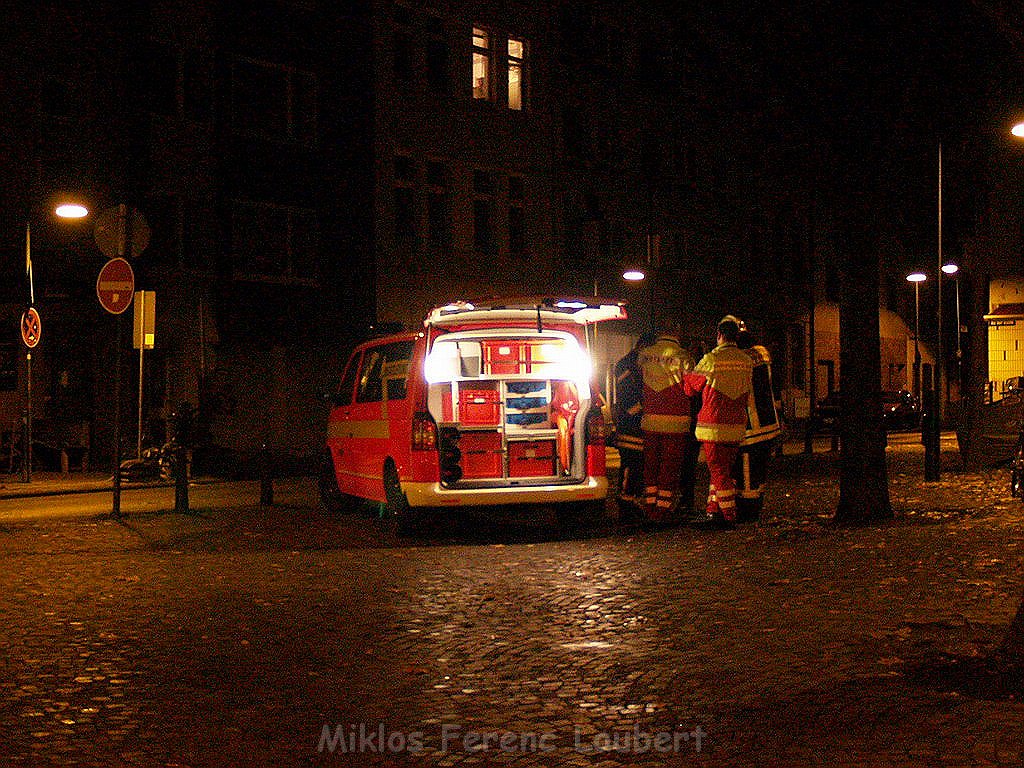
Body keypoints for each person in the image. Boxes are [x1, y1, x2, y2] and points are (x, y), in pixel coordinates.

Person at [684, 315, 753, 527]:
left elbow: (691, 388)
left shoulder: (711, 359)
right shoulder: (746, 361)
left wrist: (685, 374)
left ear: (719, 335)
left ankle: (729, 515)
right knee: (725, 471)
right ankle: (714, 509)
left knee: (718, 471)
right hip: (736, 426)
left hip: (713, 427)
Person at [638, 324, 696, 525]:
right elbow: (690, 389)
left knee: (651, 464)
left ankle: (650, 505)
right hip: (676, 421)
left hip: (650, 419)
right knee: (669, 466)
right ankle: (663, 509)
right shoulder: (684, 357)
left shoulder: (645, 355)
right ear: (677, 333)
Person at [733, 324, 782, 522]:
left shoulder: (741, 362)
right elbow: (774, 390)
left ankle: (748, 512)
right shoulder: (764, 357)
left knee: (747, 472)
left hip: (750, 427)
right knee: (760, 470)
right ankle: (757, 504)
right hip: (769, 424)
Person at [612, 332, 656, 506]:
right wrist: (642, 413)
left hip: (635, 423)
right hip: (631, 425)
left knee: (636, 466)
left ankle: (632, 501)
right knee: (631, 464)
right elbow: (628, 395)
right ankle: (626, 503)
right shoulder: (628, 365)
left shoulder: (632, 363)